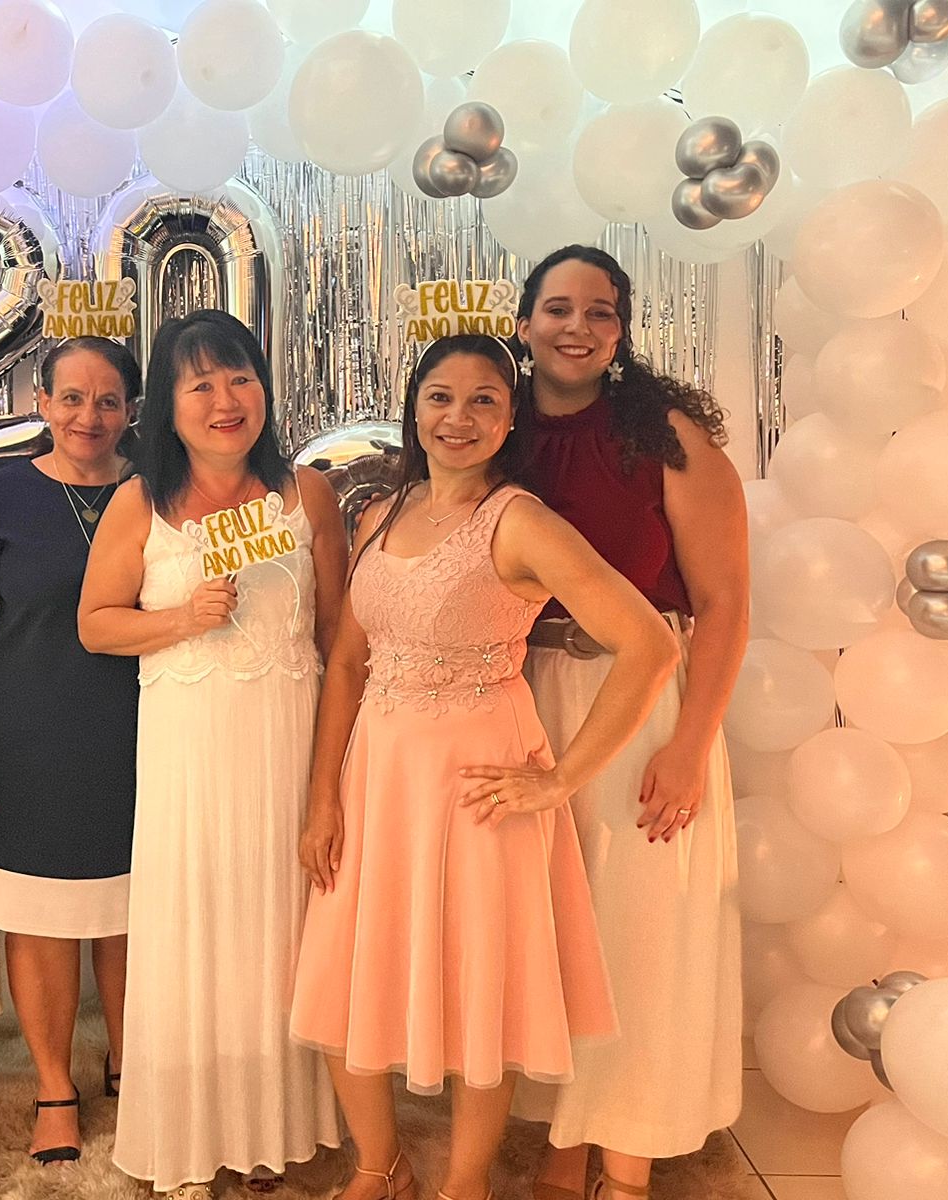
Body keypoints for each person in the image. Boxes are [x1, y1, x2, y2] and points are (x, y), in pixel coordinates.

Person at [289, 334, 678, 1200]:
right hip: (378, 773)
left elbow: (649, 646)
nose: (457, 417)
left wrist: (562, 777)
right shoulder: (379, 513)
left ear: (509, 420)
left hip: (476, 779)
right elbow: (347, 661)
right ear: (414, 407)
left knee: (480, 990)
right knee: (347, 971)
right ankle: (379, 1166)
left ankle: (466, 1183)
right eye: (440, 396)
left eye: (482, 401)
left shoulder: (521, 521)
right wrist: (322, 798)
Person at [78, 310, 349, 1199]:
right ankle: (190, 1135)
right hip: (188, 759)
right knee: (194, 931)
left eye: (239, 378)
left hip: (285, 748)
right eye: (200, 384)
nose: (225, 400)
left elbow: (338, 639)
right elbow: (95, 624)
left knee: (277, 933)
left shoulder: (307, 495)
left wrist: (334, 780)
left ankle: (271, 1128)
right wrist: (179, 618)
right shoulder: (140, 502)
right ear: (168, 404)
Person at [509, 245, 748, 1200]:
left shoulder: (668, 437)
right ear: (524, 323)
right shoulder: (493, 424)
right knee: (551, 928)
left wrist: (689, 747)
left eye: (599, 312)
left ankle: (628, 1158)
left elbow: (724, 604)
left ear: (621, 331)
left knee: (643, 931)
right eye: (558, 308)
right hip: (521, 699)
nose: (577, 327)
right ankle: (562, 1141)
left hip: (644, 702)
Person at [0, 336, 142, 1164]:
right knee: (43, 921)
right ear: (42, 402)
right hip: (26, 739)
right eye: (72, 398)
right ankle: (55, 1086)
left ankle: (132, 1065)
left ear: (132, 410)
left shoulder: (163, 489)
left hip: (145, 738)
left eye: (108, 400)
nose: (89, 416)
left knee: (133, 916)